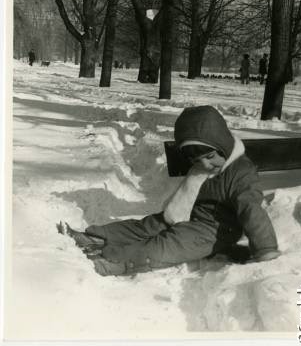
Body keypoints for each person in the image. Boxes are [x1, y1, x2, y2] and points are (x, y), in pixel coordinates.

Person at [64, 105, 280, 276]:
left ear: (222, 144)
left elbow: (252, 210)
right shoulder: (208, 165)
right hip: (191, 216)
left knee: (164, 245)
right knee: (148, 226)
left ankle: (115, 260)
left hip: (216, 231)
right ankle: (97, 237)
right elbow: (188, 196)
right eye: (198, 161)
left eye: (210, 157)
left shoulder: (241, 174)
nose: (204, 165)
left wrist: (265, 248)